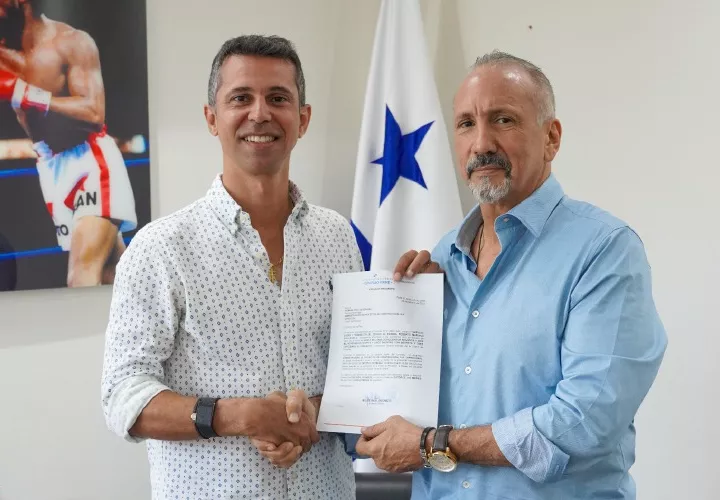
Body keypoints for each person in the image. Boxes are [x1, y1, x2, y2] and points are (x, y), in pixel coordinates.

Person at [353, 51, 667, 499]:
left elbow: (583, 424)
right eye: (466, 124)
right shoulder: (440, 260)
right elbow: (392, 413)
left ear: (551, 138)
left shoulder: (605, 251)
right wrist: (403, 324)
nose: (482, 143)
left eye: (503, 120)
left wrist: (433, 445)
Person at [101, 35, 361, 499]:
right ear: (211, 118)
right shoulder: (161, 248)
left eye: (278, 98)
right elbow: (123, 395)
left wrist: (308, 416)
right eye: (241, 98)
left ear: (303, 119)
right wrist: (240, 415)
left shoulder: (337, 236)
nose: (260, 113)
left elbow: (356, 372)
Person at [0, 0, 136, 287]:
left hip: (90, 161)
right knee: (112, 275)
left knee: (81, 276)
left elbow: (94, 112)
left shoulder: (71, 42)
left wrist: (27, 94)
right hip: (50, 165)